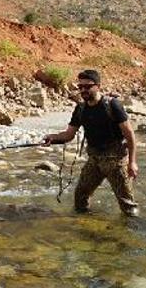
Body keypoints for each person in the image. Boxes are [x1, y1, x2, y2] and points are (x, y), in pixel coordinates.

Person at [43, 69, 139, 217]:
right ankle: (87, 226)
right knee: (80, 197)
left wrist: (132, 162)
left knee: (128, 205)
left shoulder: (113, 105)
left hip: (116, 162)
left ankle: (130, 234)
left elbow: (130, 135)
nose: (83, 90)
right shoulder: (80, 109)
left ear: (98, 86)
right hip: (94, 160)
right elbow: (69, 135)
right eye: (80, 87)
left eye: (87, 87)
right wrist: (53, 138)